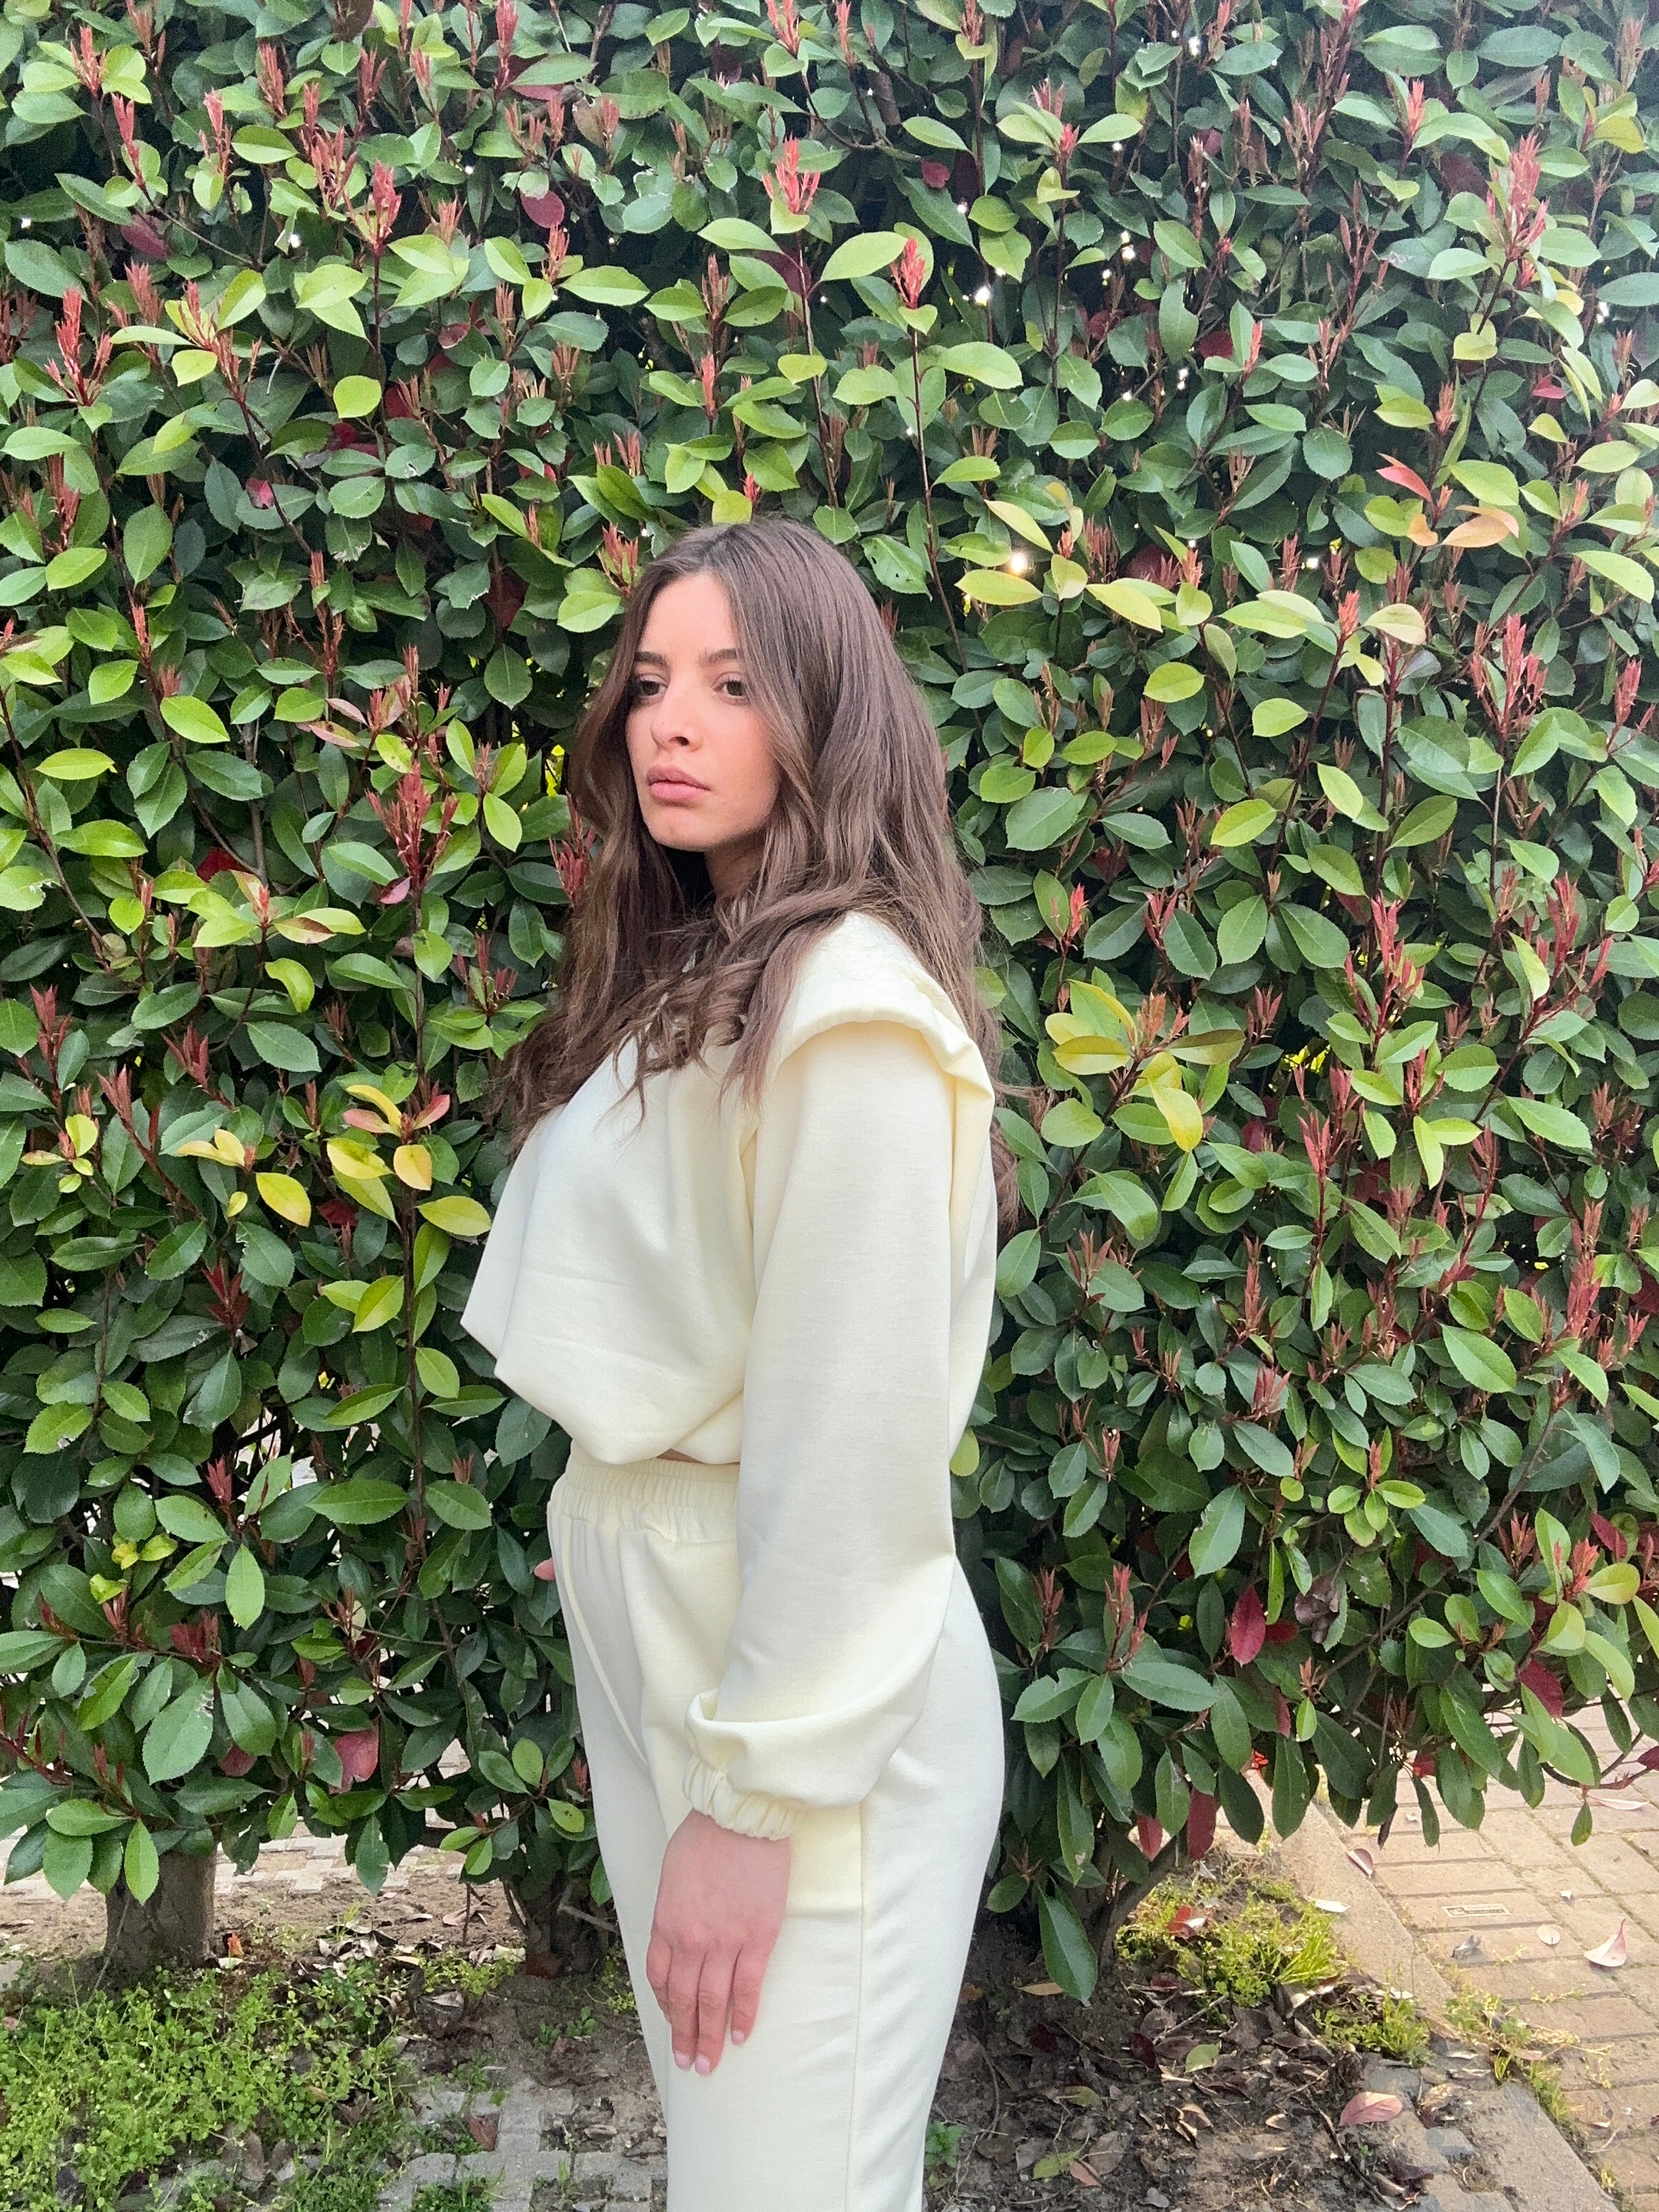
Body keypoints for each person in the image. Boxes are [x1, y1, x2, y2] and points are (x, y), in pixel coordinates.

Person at [462, 515, 1017, 2211]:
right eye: (648, 683)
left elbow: (852, 1440)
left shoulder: (850, 1011)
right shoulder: (717, 970)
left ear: (824, 714)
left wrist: (756, 1799)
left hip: (802, 1706)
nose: (671, 724)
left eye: (730, 683)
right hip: (700, 1642)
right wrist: (621, 1515)